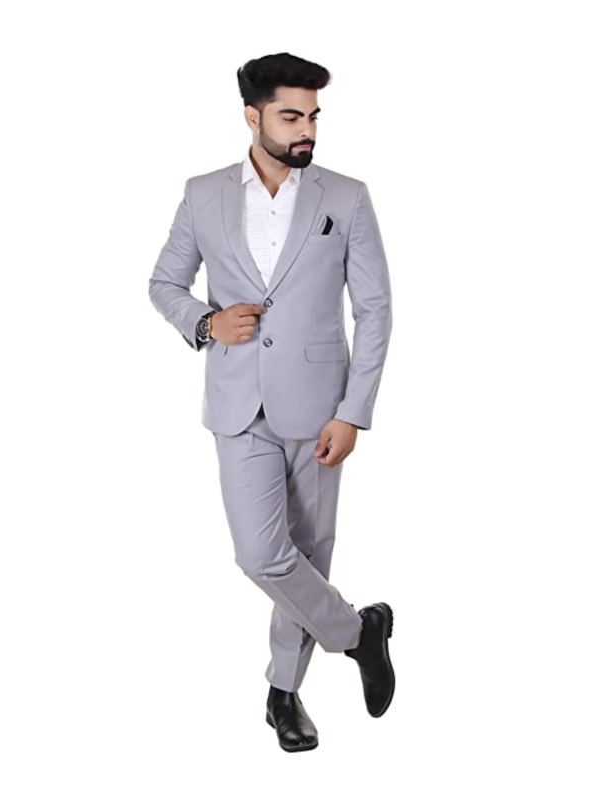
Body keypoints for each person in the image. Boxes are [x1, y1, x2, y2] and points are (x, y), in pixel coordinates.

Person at [148, 52, 395, 753]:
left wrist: (353, 411)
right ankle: (358, 633)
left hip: (320, 408)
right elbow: (164, 282)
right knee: (261, 554)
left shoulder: (346, 197)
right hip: (236, 401)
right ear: (252, 117)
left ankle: (284, 692)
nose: (306, 129)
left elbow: (374, 309)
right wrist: (206, 322)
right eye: (291, 116)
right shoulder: (203, 194)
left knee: (309, 549)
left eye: (313, 116)